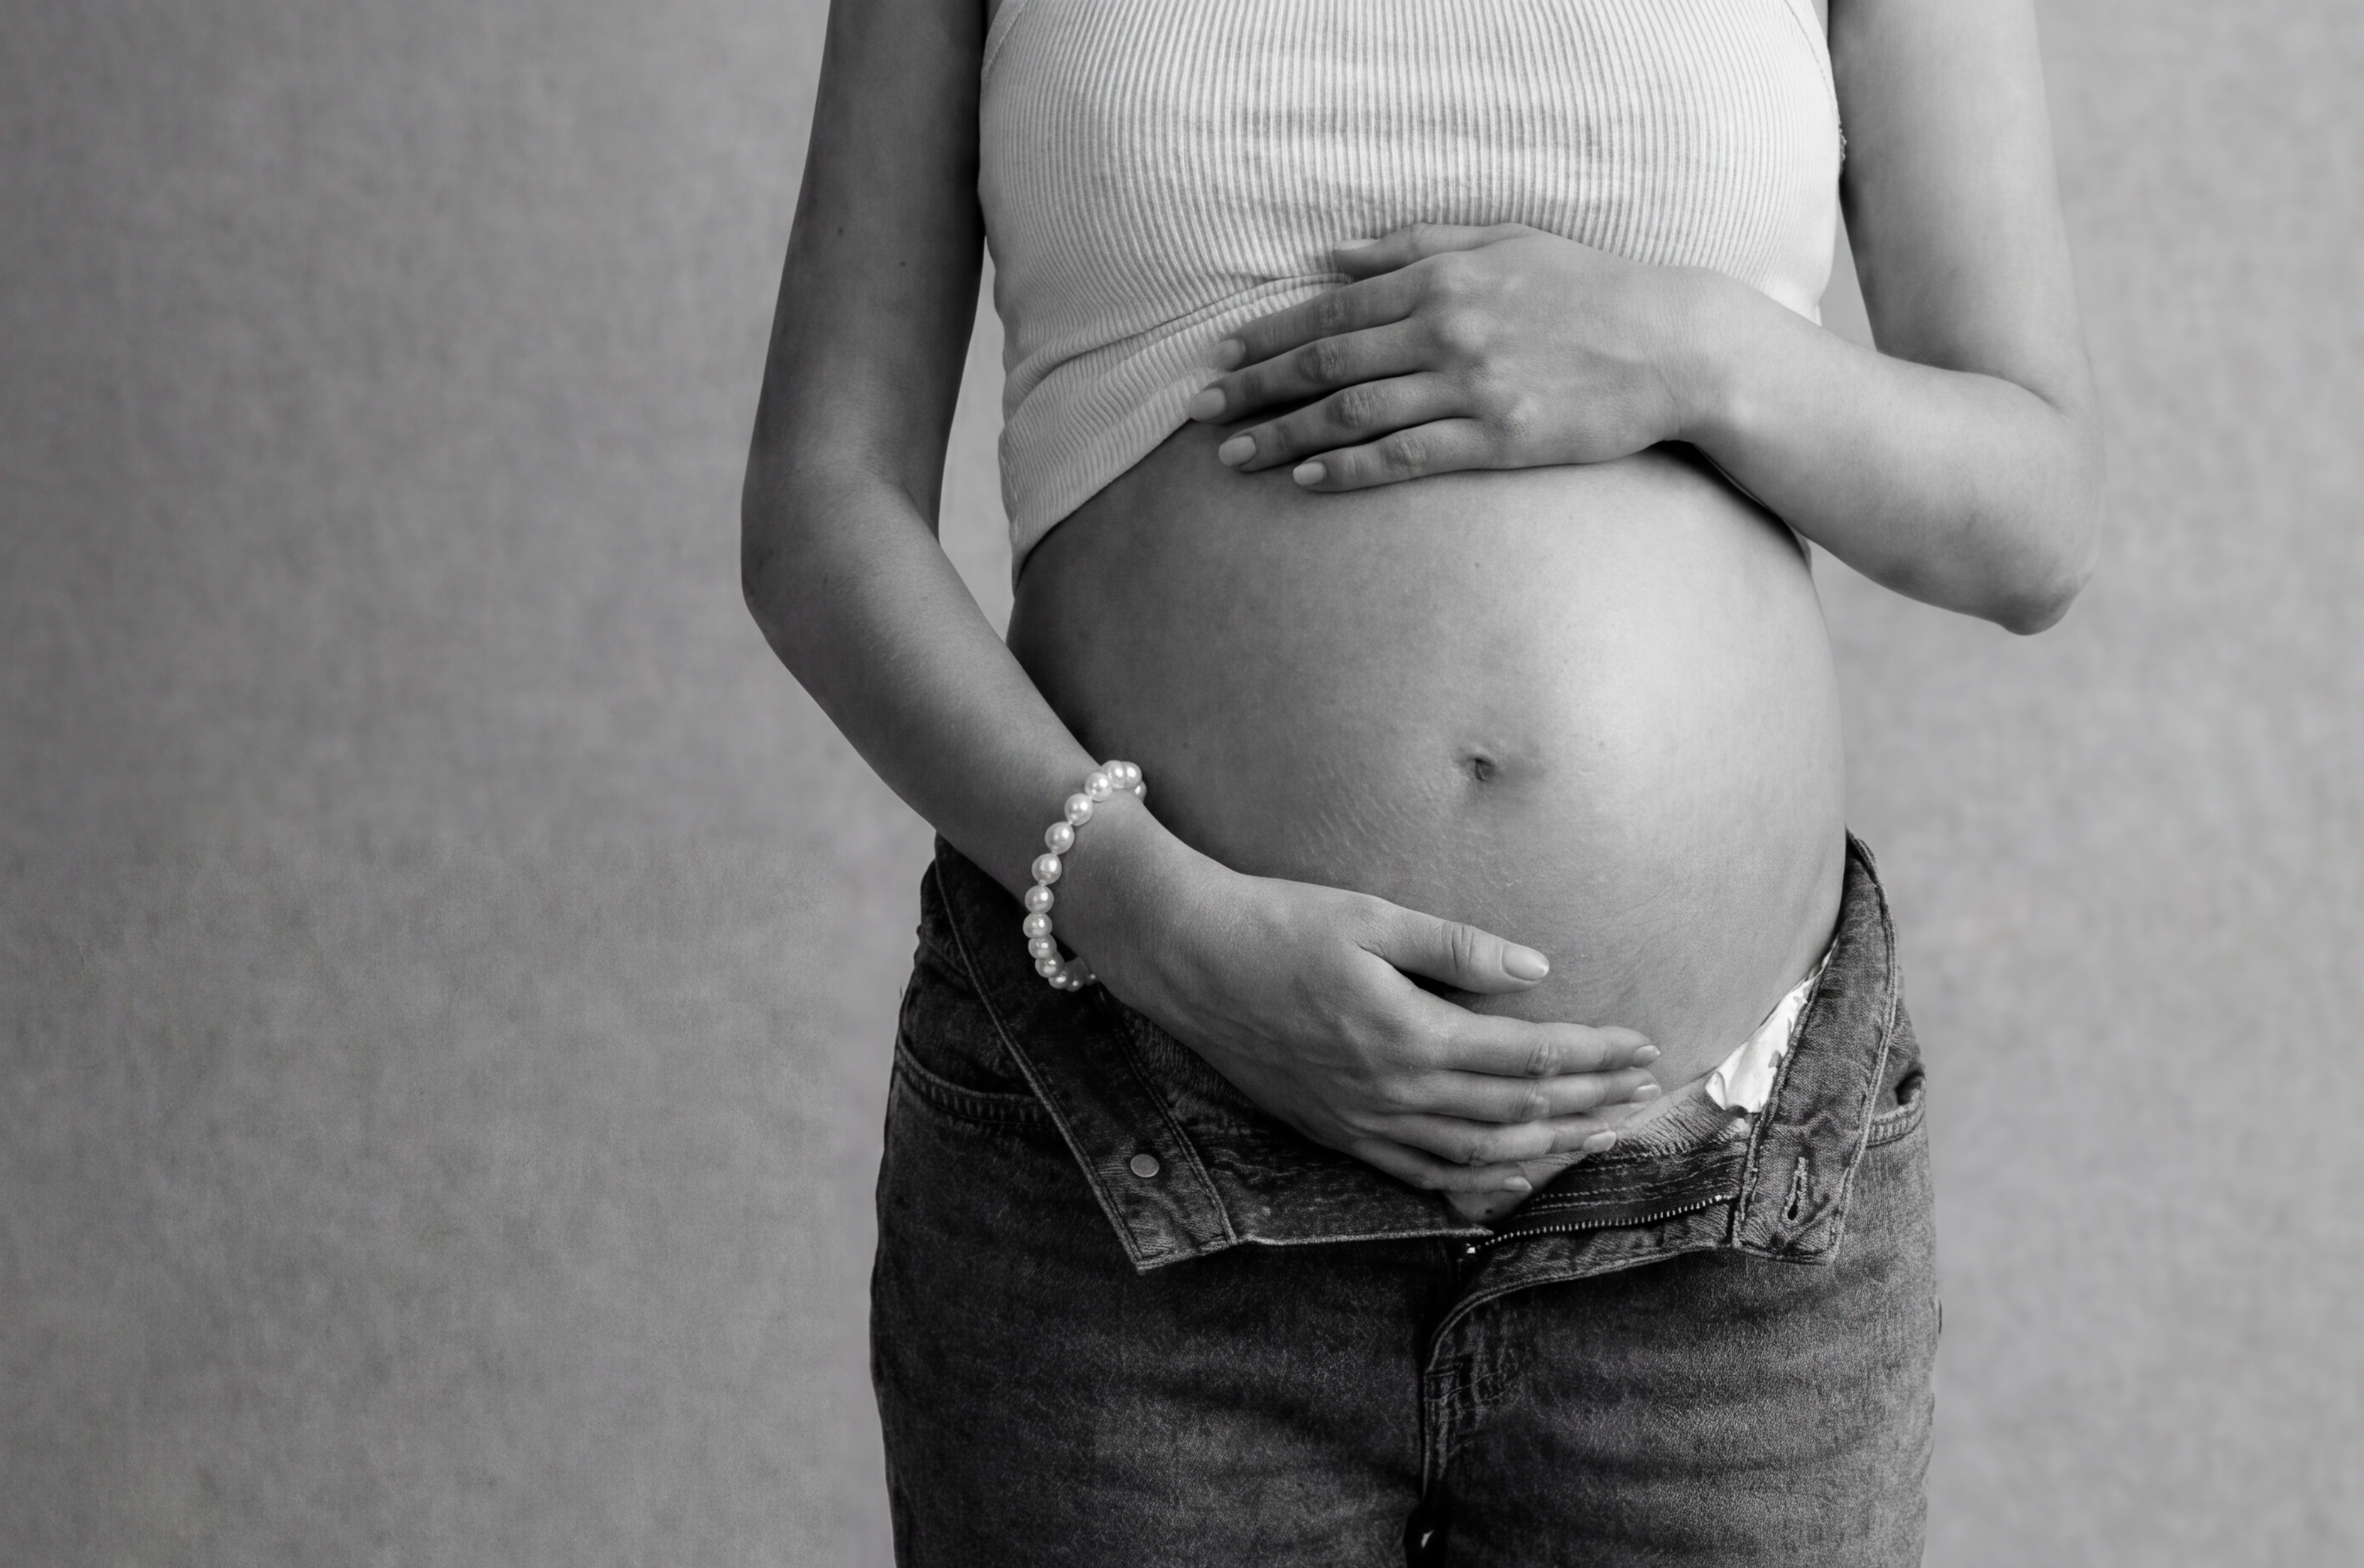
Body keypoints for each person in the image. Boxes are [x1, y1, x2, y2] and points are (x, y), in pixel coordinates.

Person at [742, 0, 2100, 1560]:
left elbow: (2031, 519)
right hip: (1132, 1145)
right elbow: (819, 506)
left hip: (1715, 1226)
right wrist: (1149, 920)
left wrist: (1694, 355)